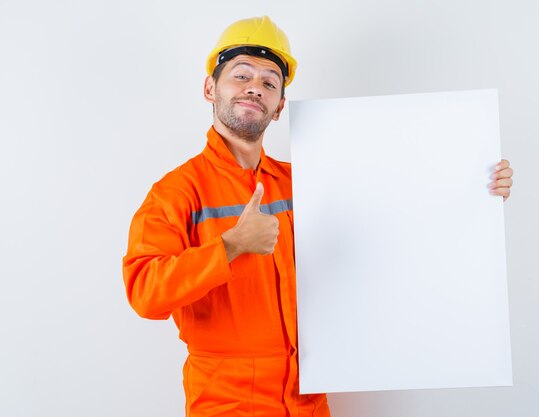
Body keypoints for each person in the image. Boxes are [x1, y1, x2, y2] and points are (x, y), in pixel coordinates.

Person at [122, 16, 514, 417]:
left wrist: (474, 195)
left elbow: (388, 221)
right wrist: (230, 246)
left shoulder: (304, 182)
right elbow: (144, 293)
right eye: (241, 76)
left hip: (308, 394)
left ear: (278, 108)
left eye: (270, 83)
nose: (255, 87)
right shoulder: (176, 192)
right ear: (210, 88)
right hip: (227, 400)